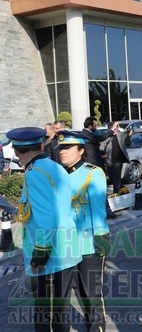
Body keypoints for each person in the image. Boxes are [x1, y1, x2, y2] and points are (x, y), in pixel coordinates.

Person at [10, 127, 82, 332]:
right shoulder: (54, 166)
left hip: (50, 257)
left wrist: (40, 256)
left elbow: (47, 219)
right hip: (65, 250)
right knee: (60, 311)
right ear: (42, 145)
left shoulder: (35, 174)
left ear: (15, 151)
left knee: (45, 314)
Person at [58, 131, 110, 332]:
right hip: (67, 243)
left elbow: (98, 210)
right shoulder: (60, 175)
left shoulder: (92, 172)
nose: (62, 152)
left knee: (91, 293)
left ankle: (97, 328)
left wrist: (100, 238)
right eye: (61, 148)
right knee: (78, 292)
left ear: (81, 150)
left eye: (67, 148)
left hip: (89, 243)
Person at [79, 116, 118, 219]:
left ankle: (104, 211)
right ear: (90, 125)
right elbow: (100, 138)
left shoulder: (87, 134)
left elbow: (91, 148)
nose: (96, 127)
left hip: (92, 165)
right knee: (100, 189)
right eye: (95, 125)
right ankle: (106, 212)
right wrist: (111, 130)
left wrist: (100, 153)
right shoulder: (87, 134)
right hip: (93, 167)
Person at [102, 121, 130, 194]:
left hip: (118, 160)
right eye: (115, 127)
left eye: (117, 127)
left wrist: (129, 136)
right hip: (109, 160)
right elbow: (102, 145)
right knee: (111, 177)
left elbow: (127, 143)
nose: (117, 129)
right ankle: (122, 188)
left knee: (117, 177)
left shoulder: (120, 135)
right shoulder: (107, 136)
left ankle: (116, 193)